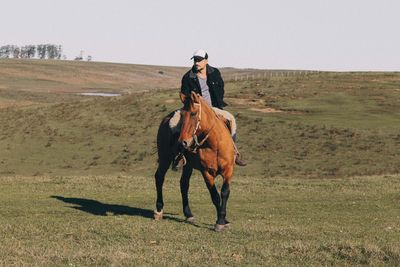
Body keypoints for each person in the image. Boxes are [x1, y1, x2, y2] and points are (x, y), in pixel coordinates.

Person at [171, 49, 246, 168]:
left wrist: (213, 106)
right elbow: (183, 95)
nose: (196, 63)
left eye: (199, 60)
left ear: (206, 61)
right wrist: (193, 101)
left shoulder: (215, 73)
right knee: (173, 122)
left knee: (231, 119)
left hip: (213, 108)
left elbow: (221, 89)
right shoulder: (188, 77)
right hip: (193, 109)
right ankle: (179, 155)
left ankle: (233, 152)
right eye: (195, 60)